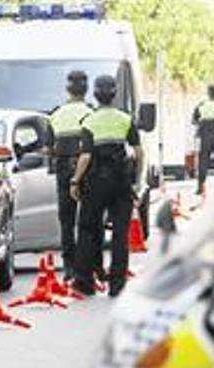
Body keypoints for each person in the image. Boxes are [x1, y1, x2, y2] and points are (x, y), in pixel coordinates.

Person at [70, 75, 143, 297]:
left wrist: (75, 180)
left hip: (95, 182)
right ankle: (117, 284)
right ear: (114, 94)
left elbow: (85, 156)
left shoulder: (89, 121)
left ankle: (84, 281)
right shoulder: (125, 119)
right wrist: (137, 180)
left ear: (96, 94)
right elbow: (138, 151)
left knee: (88, 229)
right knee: (120, 234)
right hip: (121, 181)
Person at [47, 71, 93, 281]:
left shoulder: (55, 115)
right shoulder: (91, 113)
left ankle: (69, 268)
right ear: (86, 89)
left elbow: (49, 148)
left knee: (66, 221)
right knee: (88, 219)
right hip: (89, 168)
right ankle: (87, 267)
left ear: (68, 89)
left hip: (64, 169)